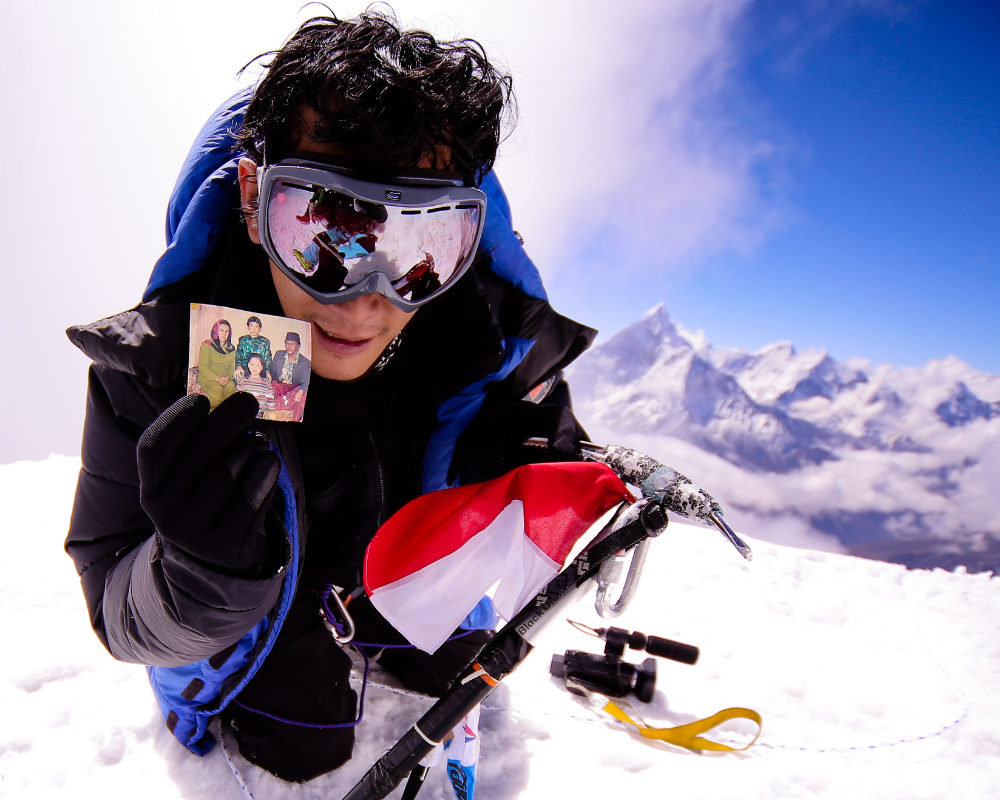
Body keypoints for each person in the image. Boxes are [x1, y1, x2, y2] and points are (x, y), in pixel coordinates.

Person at [65, 9, 594, 784]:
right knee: (300, 740)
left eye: (424, 247)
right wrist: (201, 579)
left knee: (453, 662)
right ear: (252, 201)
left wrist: (539, 459)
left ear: (467, 242)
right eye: (320, 230)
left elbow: (539, 460)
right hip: (264, 619)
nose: (363, 302)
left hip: (402, 572)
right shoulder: (163, 364)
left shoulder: (485, 342)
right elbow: (116, 599)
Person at [196, 319, 237, 408]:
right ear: (216, 331)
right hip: (208, 377)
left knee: (231, 387)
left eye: (227, 331)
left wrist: (228, 377)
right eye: (221, 330)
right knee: (217, 389)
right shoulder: (207, 345)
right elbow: (203, 367)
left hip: (225, 378)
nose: (224, 334)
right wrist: (217, 378)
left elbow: (232, 368)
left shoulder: (232, 349)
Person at [235, 353, 276, 418]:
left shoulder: (266, 383)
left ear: (262, 367)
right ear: (248, 365)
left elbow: (271, 404)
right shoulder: (242, 381)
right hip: (245, 416)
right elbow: (237, 401)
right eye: (252, 364)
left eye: (258, 365)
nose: (255, 368)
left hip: (260, 417)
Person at [234, 316, 272, 380]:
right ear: (248, 327)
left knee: (266, 381)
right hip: (245, 369)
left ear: (260, 329)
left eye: (256, 327)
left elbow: (268, 359)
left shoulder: (265, 342)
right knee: (239, 377)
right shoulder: (243, 340)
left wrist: (267, 372)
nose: (254, 329)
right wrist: (238, 367)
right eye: (251, 326)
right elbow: (238, 355)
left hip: (260, 371)